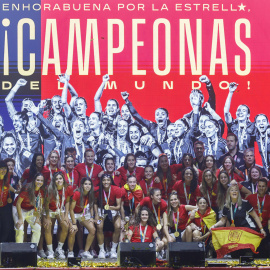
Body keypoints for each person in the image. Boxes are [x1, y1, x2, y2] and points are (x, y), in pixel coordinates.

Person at [212, 184, 266, 257]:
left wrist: (261, 229)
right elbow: (223, 220)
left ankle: (249, 254)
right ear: (229, 193)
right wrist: (214, 226)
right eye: (232, 190)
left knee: (247, 255)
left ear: (239, 193)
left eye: (236, 190)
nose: (234, 192)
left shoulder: (245, 203)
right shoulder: (226, 206)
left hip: (248, 231)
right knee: (235, 255)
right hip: (236, 233)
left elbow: (255, 216)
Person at [43, 171, 73, 259]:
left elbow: (67, 201)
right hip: (49, 210)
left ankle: (59, 249)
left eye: (60, 178)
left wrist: (66, 215)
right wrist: (48, 218)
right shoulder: (50, 189)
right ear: (54, 181)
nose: (58, 180)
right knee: (48, 227)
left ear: (63, 179)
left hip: (60, 210)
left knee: (65, 226)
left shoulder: (68, 188)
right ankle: (50, 251)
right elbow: (46, 205)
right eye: (56, 179)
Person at [94, 174, 122, 259]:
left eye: (108, 180)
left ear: (111, 181)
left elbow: (118, 206)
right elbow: (95, 203)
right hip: (101, 210)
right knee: (99, 226)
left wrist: (109, 207)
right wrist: (96, 214)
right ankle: (102, 250)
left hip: (113, 209)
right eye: (104, 180)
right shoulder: (97, 190)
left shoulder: (116, 189)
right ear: (101, 181)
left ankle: (113, 250)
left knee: (117, 226)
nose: (106, 182)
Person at [13, 173, 45, 244]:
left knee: (38, 228)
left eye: (41, 181)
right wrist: (21, 219)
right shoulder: (27, 188)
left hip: (31, 209)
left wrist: (38, 217)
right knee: (20, 228)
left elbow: (40, 205)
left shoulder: (42, 190)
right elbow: (18, 203)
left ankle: (33, 251)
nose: (39, 182)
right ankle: (19, 251)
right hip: (19, 208)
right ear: (34, 180)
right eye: (38, 180)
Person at [68, 177, 95, 259]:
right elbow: (71, 209)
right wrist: (73, 223)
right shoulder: (77, 193)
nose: (88, 186)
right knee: (73, 230)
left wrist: (91, 217)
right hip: (73, 213)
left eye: (89, 184)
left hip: (82, 214)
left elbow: (91, 206)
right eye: (86, 184)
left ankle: (85, 252)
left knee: (92, 230)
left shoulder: (90, 193)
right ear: (82, 185)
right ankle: (70, 252)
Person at [224, 82, 256, 151]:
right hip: (234, 158)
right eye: (238, 110)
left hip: (248, 158)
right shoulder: (232, 125)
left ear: (248, 115)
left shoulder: (253, 126)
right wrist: (230, 92)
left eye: (243, 110)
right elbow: (226, 112)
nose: (240, 112)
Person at [247, 178, 270, 257]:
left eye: (263, 186)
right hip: (253, 227)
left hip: (265, 228)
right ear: (257, 187)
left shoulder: (269, 198)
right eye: (259, 186)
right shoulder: (250, 198)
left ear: (266, 188)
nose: (261, 188)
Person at [0, 160, 17, 243]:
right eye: (1, 169)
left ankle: (2, 246)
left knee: (6, 228)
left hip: (4, 208)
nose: (3, 170)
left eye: (5, 169)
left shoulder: (6, 179)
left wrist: (17, 191)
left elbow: (10, 187)